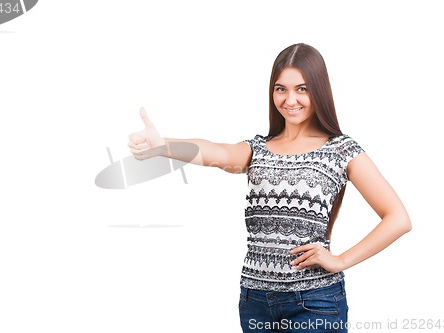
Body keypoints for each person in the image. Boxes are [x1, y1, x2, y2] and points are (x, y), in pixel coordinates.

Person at [128, 43, 411, 333]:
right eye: (281, 89)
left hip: (314, 302)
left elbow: (398, 218)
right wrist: (164, 146)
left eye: (302, 89)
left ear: (319, 90)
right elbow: (218, 153)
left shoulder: (340, 149)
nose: (290, 99)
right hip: (255, 302)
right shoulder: (258, 149)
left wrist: (340, 260)